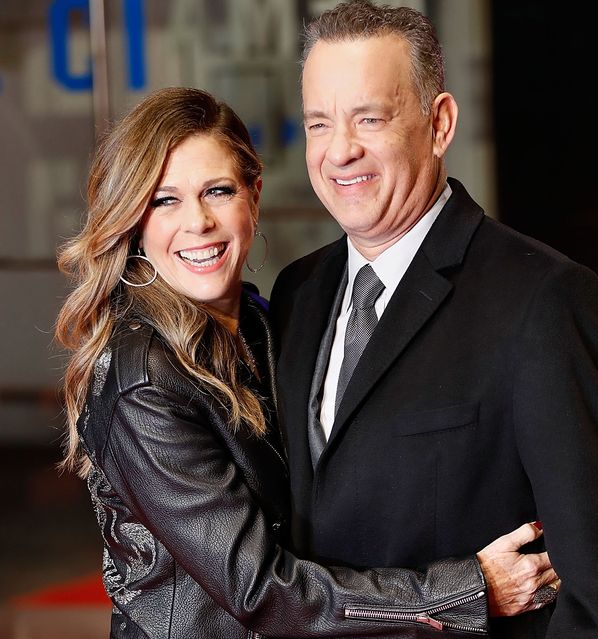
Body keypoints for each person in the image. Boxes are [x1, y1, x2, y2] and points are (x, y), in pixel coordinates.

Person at [55, 86, 558, 639]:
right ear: (133, 221)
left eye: (217, 191)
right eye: (164, 200)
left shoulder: (267, 320)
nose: (197, 222)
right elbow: (260, 589)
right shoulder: (143, 379)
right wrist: (470, 590)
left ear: (253, 195)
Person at [269, 2, 598, 638]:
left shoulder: (545, 300)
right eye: (319, 124)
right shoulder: (296, 294)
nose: (340, 151)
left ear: (439, 124)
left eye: (369, 118)